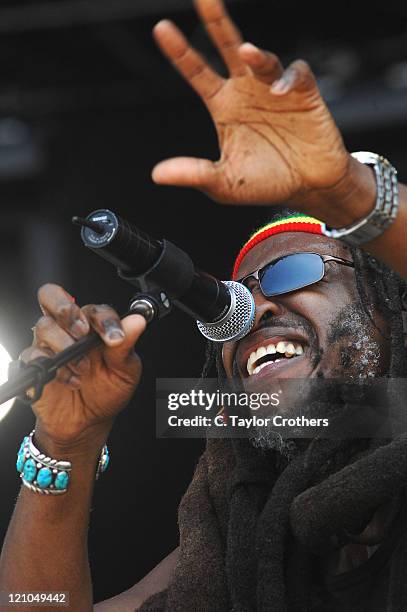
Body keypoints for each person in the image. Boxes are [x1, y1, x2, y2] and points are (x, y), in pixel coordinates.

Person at [1, 0, 407, 609]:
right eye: (240, 299)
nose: (256, 310)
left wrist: (344, 189)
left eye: (294, 271)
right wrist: (67, 444)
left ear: (390, 312)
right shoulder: (248, 538)